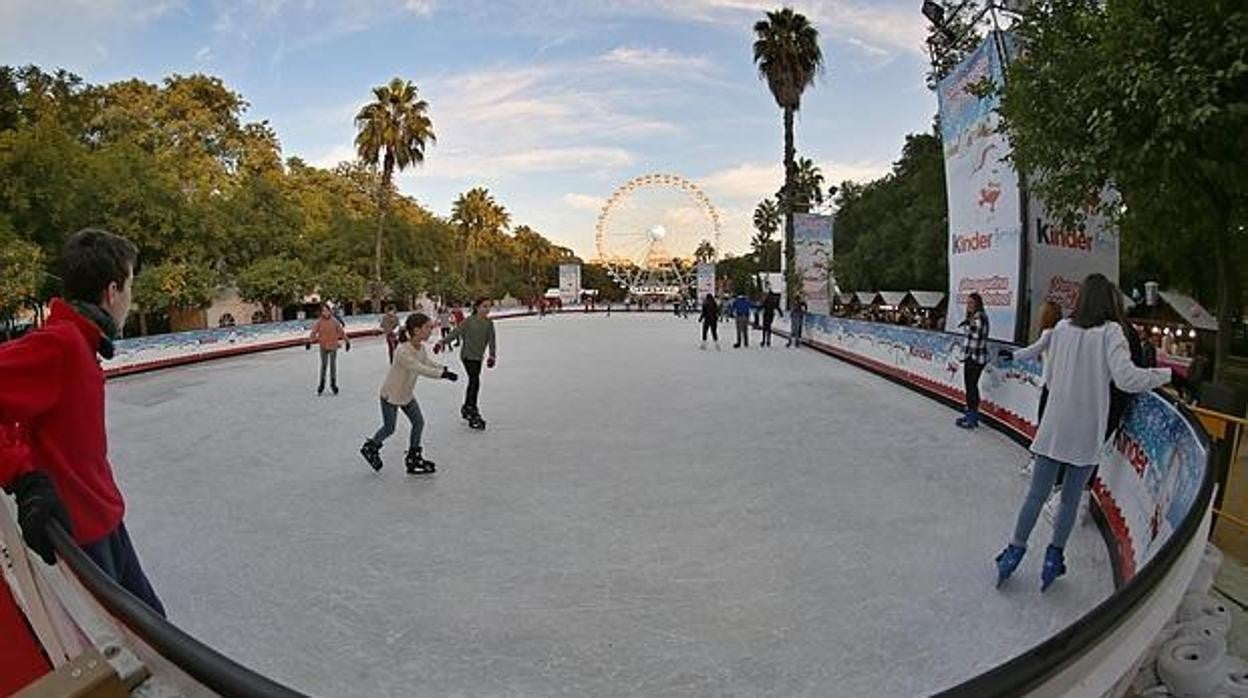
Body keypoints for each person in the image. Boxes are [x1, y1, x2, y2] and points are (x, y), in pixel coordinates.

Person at [0, 229, 165, 615]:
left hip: (107, 521)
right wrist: (23, 477)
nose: (131, 299)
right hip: (83, 537)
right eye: (129, 288)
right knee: (134, 650)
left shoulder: (79, 343)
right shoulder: (62, 344)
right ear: (111, 292)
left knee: (156, 632)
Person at [995, 274, 1171, 590]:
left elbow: (1035, 348)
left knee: (1036, 495)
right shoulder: (1111, 332)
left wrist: (1012, 356)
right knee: (1069, 499)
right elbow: (1127, 379)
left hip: (1054, 428)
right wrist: (1164, 374)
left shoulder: (1062, 328)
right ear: (1110, 301)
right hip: (1087, 433)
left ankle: (1014, 550)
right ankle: (1053, 557)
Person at [359, 313, 458, 474]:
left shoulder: (421, 348)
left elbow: (427, 362)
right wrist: (442, 375)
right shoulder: (402, 351)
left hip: (406, 394)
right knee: (389, 428)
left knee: (418, 423)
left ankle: (413, 456)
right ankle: (371, 447)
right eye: (428, 328)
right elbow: (419, 368)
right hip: (391, 395)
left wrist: (443, 369)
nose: (431, 331)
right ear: (416, 330)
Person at [436, 298, 497, 430]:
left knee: (474, 381)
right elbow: (455, 333)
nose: (487, 309)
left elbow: (492, 340)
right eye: (484, 306)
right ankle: (471, 408)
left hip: (478, 357)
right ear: (477, 307)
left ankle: (467, 406)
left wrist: (492, 356)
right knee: (474, 380)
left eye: (489, 307)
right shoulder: (469, 321)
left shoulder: (489, 323)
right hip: (467, 356)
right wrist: (442, 342)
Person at [955, 293, 990, 429]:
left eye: (971, 303)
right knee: (970, 387)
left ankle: (972, 417)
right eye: (967, 303)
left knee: (971, 387)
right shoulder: (974, 317)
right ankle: (970, 413)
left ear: (977, 304)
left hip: (975, 357)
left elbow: (976, 338)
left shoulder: (979, 317)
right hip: (972, 356)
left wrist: (968, 325)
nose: (968, 305)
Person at [309, 303, 348, 395]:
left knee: (333, 365)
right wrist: (309, 341)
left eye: (327, 311)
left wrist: (347, 341)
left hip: (333, 345)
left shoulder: (334, 321)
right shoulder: (319, 322)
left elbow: (341, 332)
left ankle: (333, 384)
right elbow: (313, 332)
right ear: (321, 312)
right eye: (323, 311)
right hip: (323, 346)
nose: (325, 313)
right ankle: (321, 384)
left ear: (330, 311)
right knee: (323, 365)